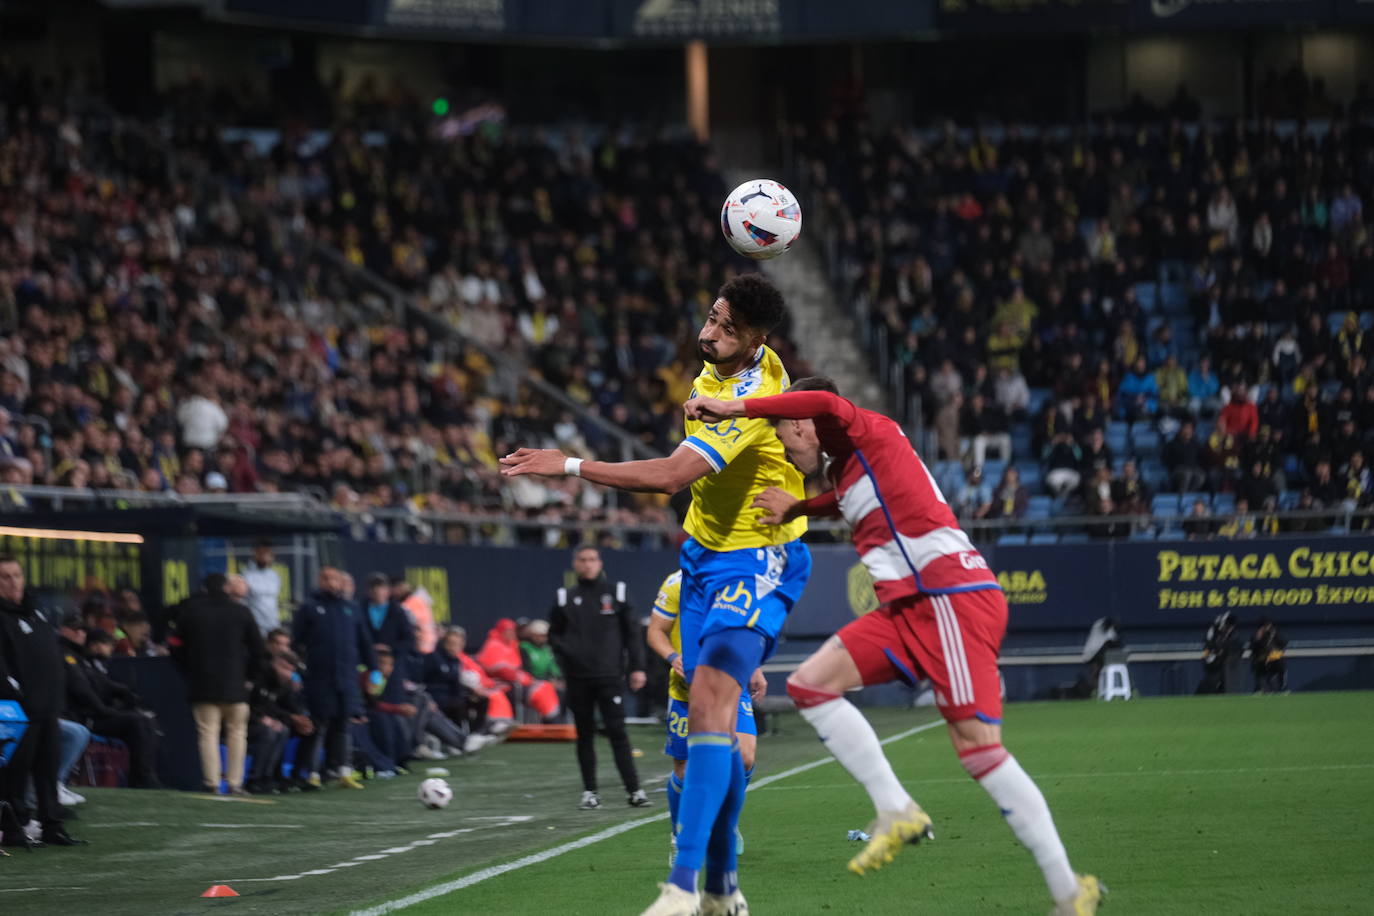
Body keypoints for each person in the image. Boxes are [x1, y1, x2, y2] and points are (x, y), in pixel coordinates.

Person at [683, 377, 1102, 915]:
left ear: (799, 423)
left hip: (948, 596)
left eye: (786, 439)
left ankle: (1070, 892)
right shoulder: (853, 468)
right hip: (909, 608)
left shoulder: (865, 430)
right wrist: (798, 509)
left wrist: (731, 404)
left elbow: (825, 401)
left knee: (980, 751)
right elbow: (849, 500)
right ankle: (895, 807)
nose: (787, 453)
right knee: (811, 685)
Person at [502, 274, 812, 916]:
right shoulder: (714, 374)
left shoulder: (758, 392)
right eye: (711, 317)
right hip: (701, 559)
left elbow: (672, 475)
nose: (708, 332)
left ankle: (682, 885)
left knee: (719, 719)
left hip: (755, 556)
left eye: (725, 328)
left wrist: (567, 465)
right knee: (708, 725)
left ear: (754, 339)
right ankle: (722, 891)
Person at [646, 569, 765, 866]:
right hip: (688, 690)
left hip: (731, 682)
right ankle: (679, 835)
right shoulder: (676, 582)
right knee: (686, 771)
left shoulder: (736, 576)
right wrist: (673, 657)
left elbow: (747, 629)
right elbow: (655, 631)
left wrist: (755, 667)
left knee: (745, 758)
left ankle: (726, 821)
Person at [547, 546, 648, 809]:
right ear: (575, 564)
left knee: (618, 733)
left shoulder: (617, 593)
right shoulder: (564, 597)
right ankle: (590, 792)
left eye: (592, 559)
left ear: (600, 562)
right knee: (585, 734)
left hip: (609, 675)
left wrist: (637, 667)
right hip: (578, 678)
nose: (588, 564)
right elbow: (554, 635)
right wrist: (567, 659)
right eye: (582, 560)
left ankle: (634, 790)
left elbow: (633, 634)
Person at [0, 555, 80, 847]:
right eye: (5, 577)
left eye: (17, 575)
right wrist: (16, 696)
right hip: (18, 712)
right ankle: (15, 827)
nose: (13, 582)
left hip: (48, 707)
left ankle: (52, 825)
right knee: (17, 772)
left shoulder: (36, 612)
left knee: (48, 770)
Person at [169, 573, 267, 795]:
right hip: (236, 684)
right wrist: (251, 678)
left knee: (207, 732)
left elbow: (174, 646)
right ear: (226, 588)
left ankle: (211, 782)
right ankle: (235, 783)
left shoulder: (191, 612)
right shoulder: (241, 612)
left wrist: (189, 670)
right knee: (237, 732)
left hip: (202, 684)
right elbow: (259, 651)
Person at [291, 567, 379, 790]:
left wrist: (374, 669)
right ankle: (310, 773)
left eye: (335, 579)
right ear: (319, 581)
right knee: (318, 725)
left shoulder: (351, 608)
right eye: (326, 578)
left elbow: (364, 642)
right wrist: (293, 670)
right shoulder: (309, 608)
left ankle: (343, 771)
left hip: (346, 677)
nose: (331, 583)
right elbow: (295, 642)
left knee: (343, 725)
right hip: (319, 678)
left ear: (342, 583)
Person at [63, 624, 162, 790]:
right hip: (89, 718)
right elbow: (84, 693)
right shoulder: (72, 660)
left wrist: (125, 694)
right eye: (106, 644)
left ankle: (144, 775)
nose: (110, 648)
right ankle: (143, 778)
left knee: (146, 721)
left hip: (101, 713)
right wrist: (106, 710)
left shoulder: (91, 663)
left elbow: (106, 685)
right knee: (136, 721)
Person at [246, 650, 314, 793]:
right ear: (275, 663)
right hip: (245, 721)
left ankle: (269, 777)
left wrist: (300, 718)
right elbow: (250, 704)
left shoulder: (284, 684)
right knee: (269, 732)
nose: (287, 674)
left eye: (291, 670)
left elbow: (285, 706)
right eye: (284, 668)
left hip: (266, 720)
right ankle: (255, 779)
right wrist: (262, 718)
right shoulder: (259, 675)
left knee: (284, 730)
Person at [361, 572, 418, 678]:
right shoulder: (359, 610)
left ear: (388, 591)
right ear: (369, 591)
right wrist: (370, 648)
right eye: (374, 588)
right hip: (366, 665)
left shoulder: (399, 612)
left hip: (393, 668)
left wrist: (390, 648)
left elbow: (409, 639)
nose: (378, 592)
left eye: (381, 588)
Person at [242, 539, 282, 637]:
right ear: (254, 554)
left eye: (268, 553)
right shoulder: (246, 575)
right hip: (255, 626)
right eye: (261, 553)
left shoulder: (274, 576)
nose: (265, 556)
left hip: (273, 625)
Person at [1197, 612, 1241, 694]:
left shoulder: (1233, 636)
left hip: (1226, 668)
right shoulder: (1215, 632)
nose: (1227, 627)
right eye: (1226, 624)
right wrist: (1214, 652)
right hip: (1213, 667)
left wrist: (1222, 652)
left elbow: (1236, 650)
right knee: (1210, 684)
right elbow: (1208, 645)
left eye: (1229, 625)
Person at [1249, 617, 1288, 693]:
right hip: (1261, 659)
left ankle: (1283, 686)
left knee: (1281, 662)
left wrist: (1274, 636)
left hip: (1274, 658)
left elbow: (1283, 643)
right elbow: (1253, 648)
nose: (1267, 628)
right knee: (1257, 664)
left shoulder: (1274, 633)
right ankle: (1258, 687)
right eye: (1264, 626)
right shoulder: (1256, 635)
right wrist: (1258, 638)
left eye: (1268, 626)